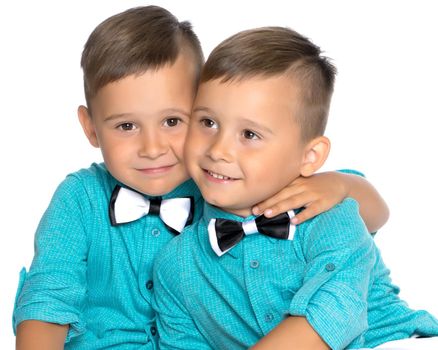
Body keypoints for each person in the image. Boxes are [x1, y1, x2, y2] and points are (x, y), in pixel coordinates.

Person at [12, 6, 388, 350]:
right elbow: (48, 295)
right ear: (91, 127)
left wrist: (342, 184)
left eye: (173, 121)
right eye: (126, 125)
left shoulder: (225, 183)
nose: (152, 147)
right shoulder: (81, 198)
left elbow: (363, 215)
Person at [152, 26, 438, 350]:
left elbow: (331, 316)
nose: (218, 150)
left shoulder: (330, 215)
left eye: (249, 135)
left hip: (389, 341)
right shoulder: (175, 266)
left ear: (309, 156)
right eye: (208, 122)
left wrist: (344, 183)